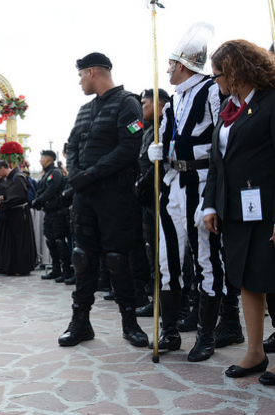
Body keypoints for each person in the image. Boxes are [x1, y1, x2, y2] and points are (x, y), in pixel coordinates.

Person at [148, 24, 232, 362]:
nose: (167, 70)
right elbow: (169, 139)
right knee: (167, 260)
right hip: (172, 186)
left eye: (170, 64)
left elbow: (221, 138)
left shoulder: (211, 91)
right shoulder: (171, 103)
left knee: (206, 260)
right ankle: (169, 331)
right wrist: (159, 152)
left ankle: (206, 335)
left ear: (182, 65)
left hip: (201, 182)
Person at [60, 52, 148, 348]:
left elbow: (128, 148)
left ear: (93, 72)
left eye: (81, 75)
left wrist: (91, 175)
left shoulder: (128, 103)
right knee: (82, 258)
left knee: (117, 259)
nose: (80, 81)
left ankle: (129, 322)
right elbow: (71, 146)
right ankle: (80, 323)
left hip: (116, 198)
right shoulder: (84, 110)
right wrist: (75, 175)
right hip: (85, 197)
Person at [203, 39, 275, 385]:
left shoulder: (271, 103)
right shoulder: (229, 109)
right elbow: (218, 162)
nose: (214, 80)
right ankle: (255, 351)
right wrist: (211, 205)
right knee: (247, 278)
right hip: (236, 210)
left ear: (234, 70)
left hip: (268, 208)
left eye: (217, 74)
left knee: (272, 280)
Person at [135, 88, 171, 318]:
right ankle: (156, 298)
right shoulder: (145, 128)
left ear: (160, 104)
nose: (141, 108)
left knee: (166, 250)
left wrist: (141, 184)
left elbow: (159, 165)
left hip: (159, 192)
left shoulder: (164, 126)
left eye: (145, 103)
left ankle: (180, 301)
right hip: (146, 198)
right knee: (151, 249)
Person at [32, 150, 72, 283]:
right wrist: (38, 200)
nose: (40, 160)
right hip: (49, 212)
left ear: (49, 159)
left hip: (58, 212)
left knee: (60, 241)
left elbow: (52, 190)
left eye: (42, 158)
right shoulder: (47, 174)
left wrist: (39, 200)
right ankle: (56, 270)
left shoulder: (54, 173)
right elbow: (41, 190)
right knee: (51, 241)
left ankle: (66, 270)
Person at [0, 161, 37, 276]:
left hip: (19, 214)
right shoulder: (12, 177)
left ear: (3, 168)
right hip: (13, 214)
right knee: (12, 241)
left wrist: (3, 205)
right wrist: (4, 198)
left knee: (20, 241)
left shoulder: (18, 177)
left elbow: (18, 196)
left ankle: (21, 268)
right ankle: (11, 266)